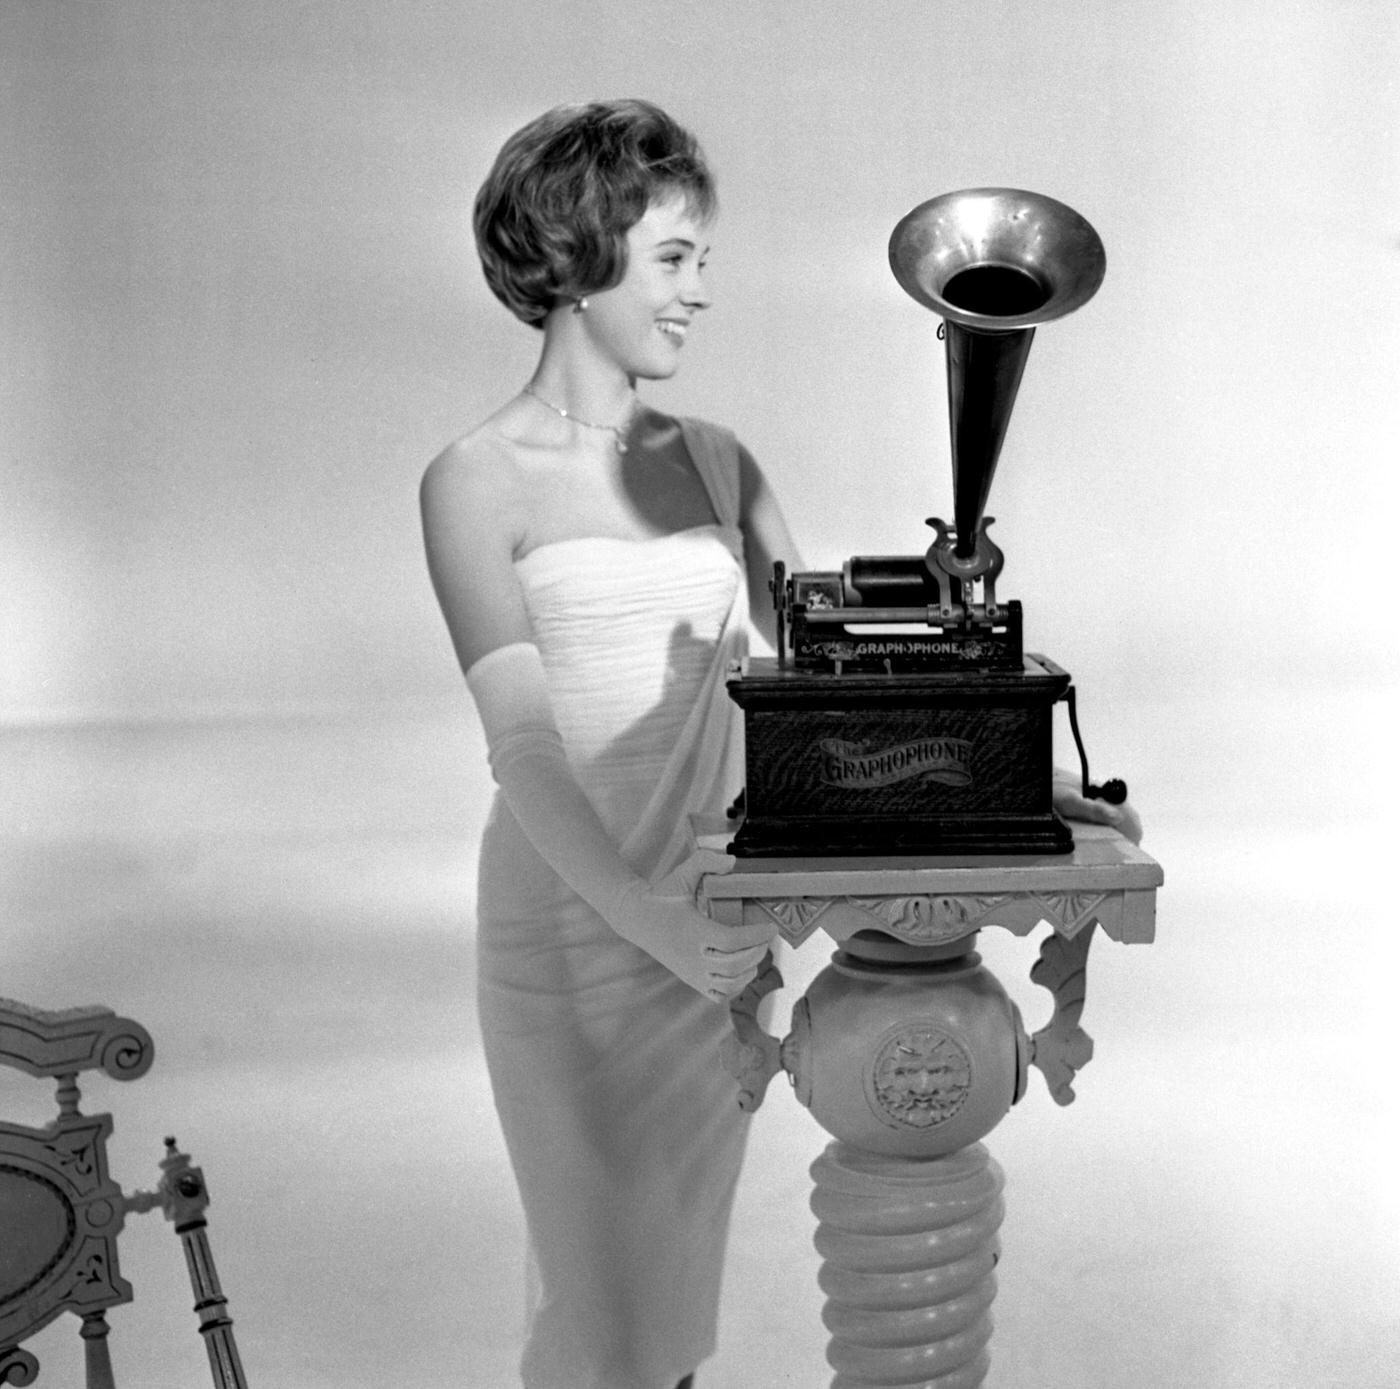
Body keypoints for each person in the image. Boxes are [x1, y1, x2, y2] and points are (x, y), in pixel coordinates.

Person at [421, 98, 1141, 1389]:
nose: (702, 290)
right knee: (601, 1301)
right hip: (577, 925)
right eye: (675, 258)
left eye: (705, 258)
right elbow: (523, 750)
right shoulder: (472, 478)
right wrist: (650, 922)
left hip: (713, 907)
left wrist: (1040, 765)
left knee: (666, 1281)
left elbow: (824, 678)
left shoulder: (715, 458)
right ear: (577, 260)